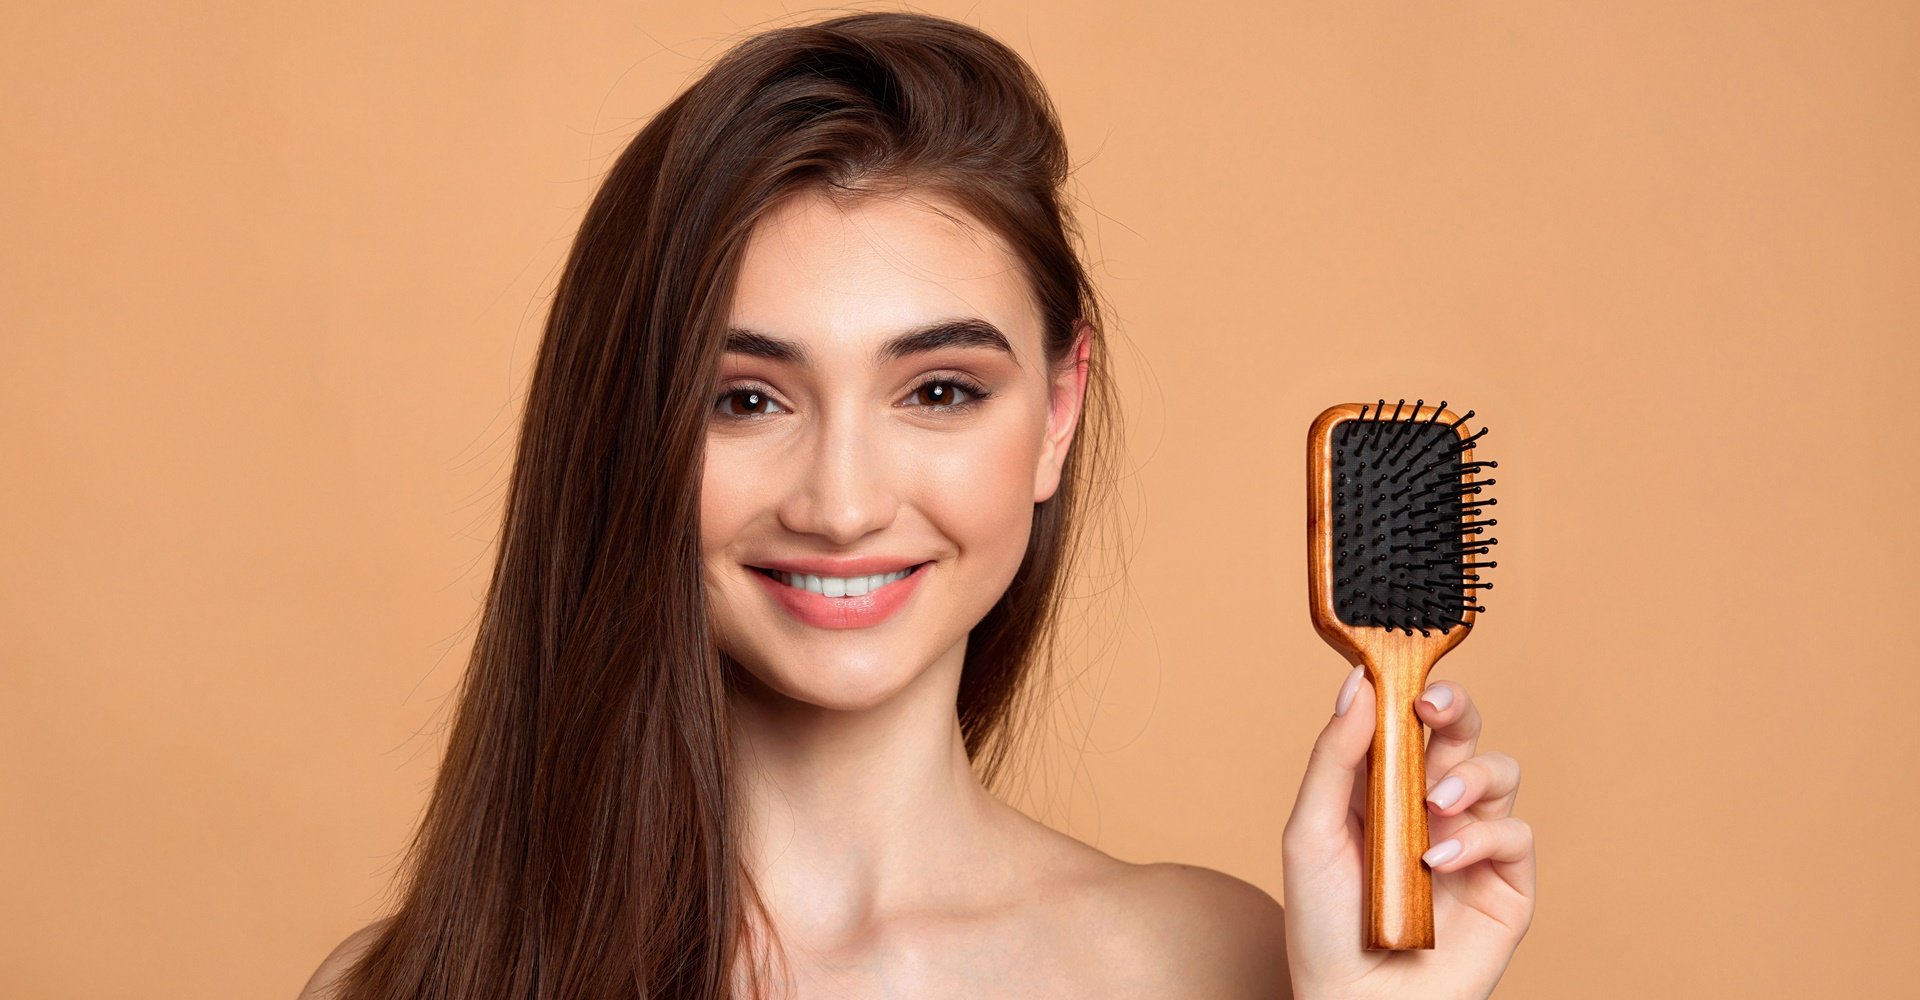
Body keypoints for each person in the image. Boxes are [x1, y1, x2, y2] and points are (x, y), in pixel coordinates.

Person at [300, 11, 1534, 999]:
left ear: (1058, 411)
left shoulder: (1223, 966)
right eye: (745, 400)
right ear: (634, 432)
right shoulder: (411, 987)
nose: (841, 505)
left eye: (939, 389)